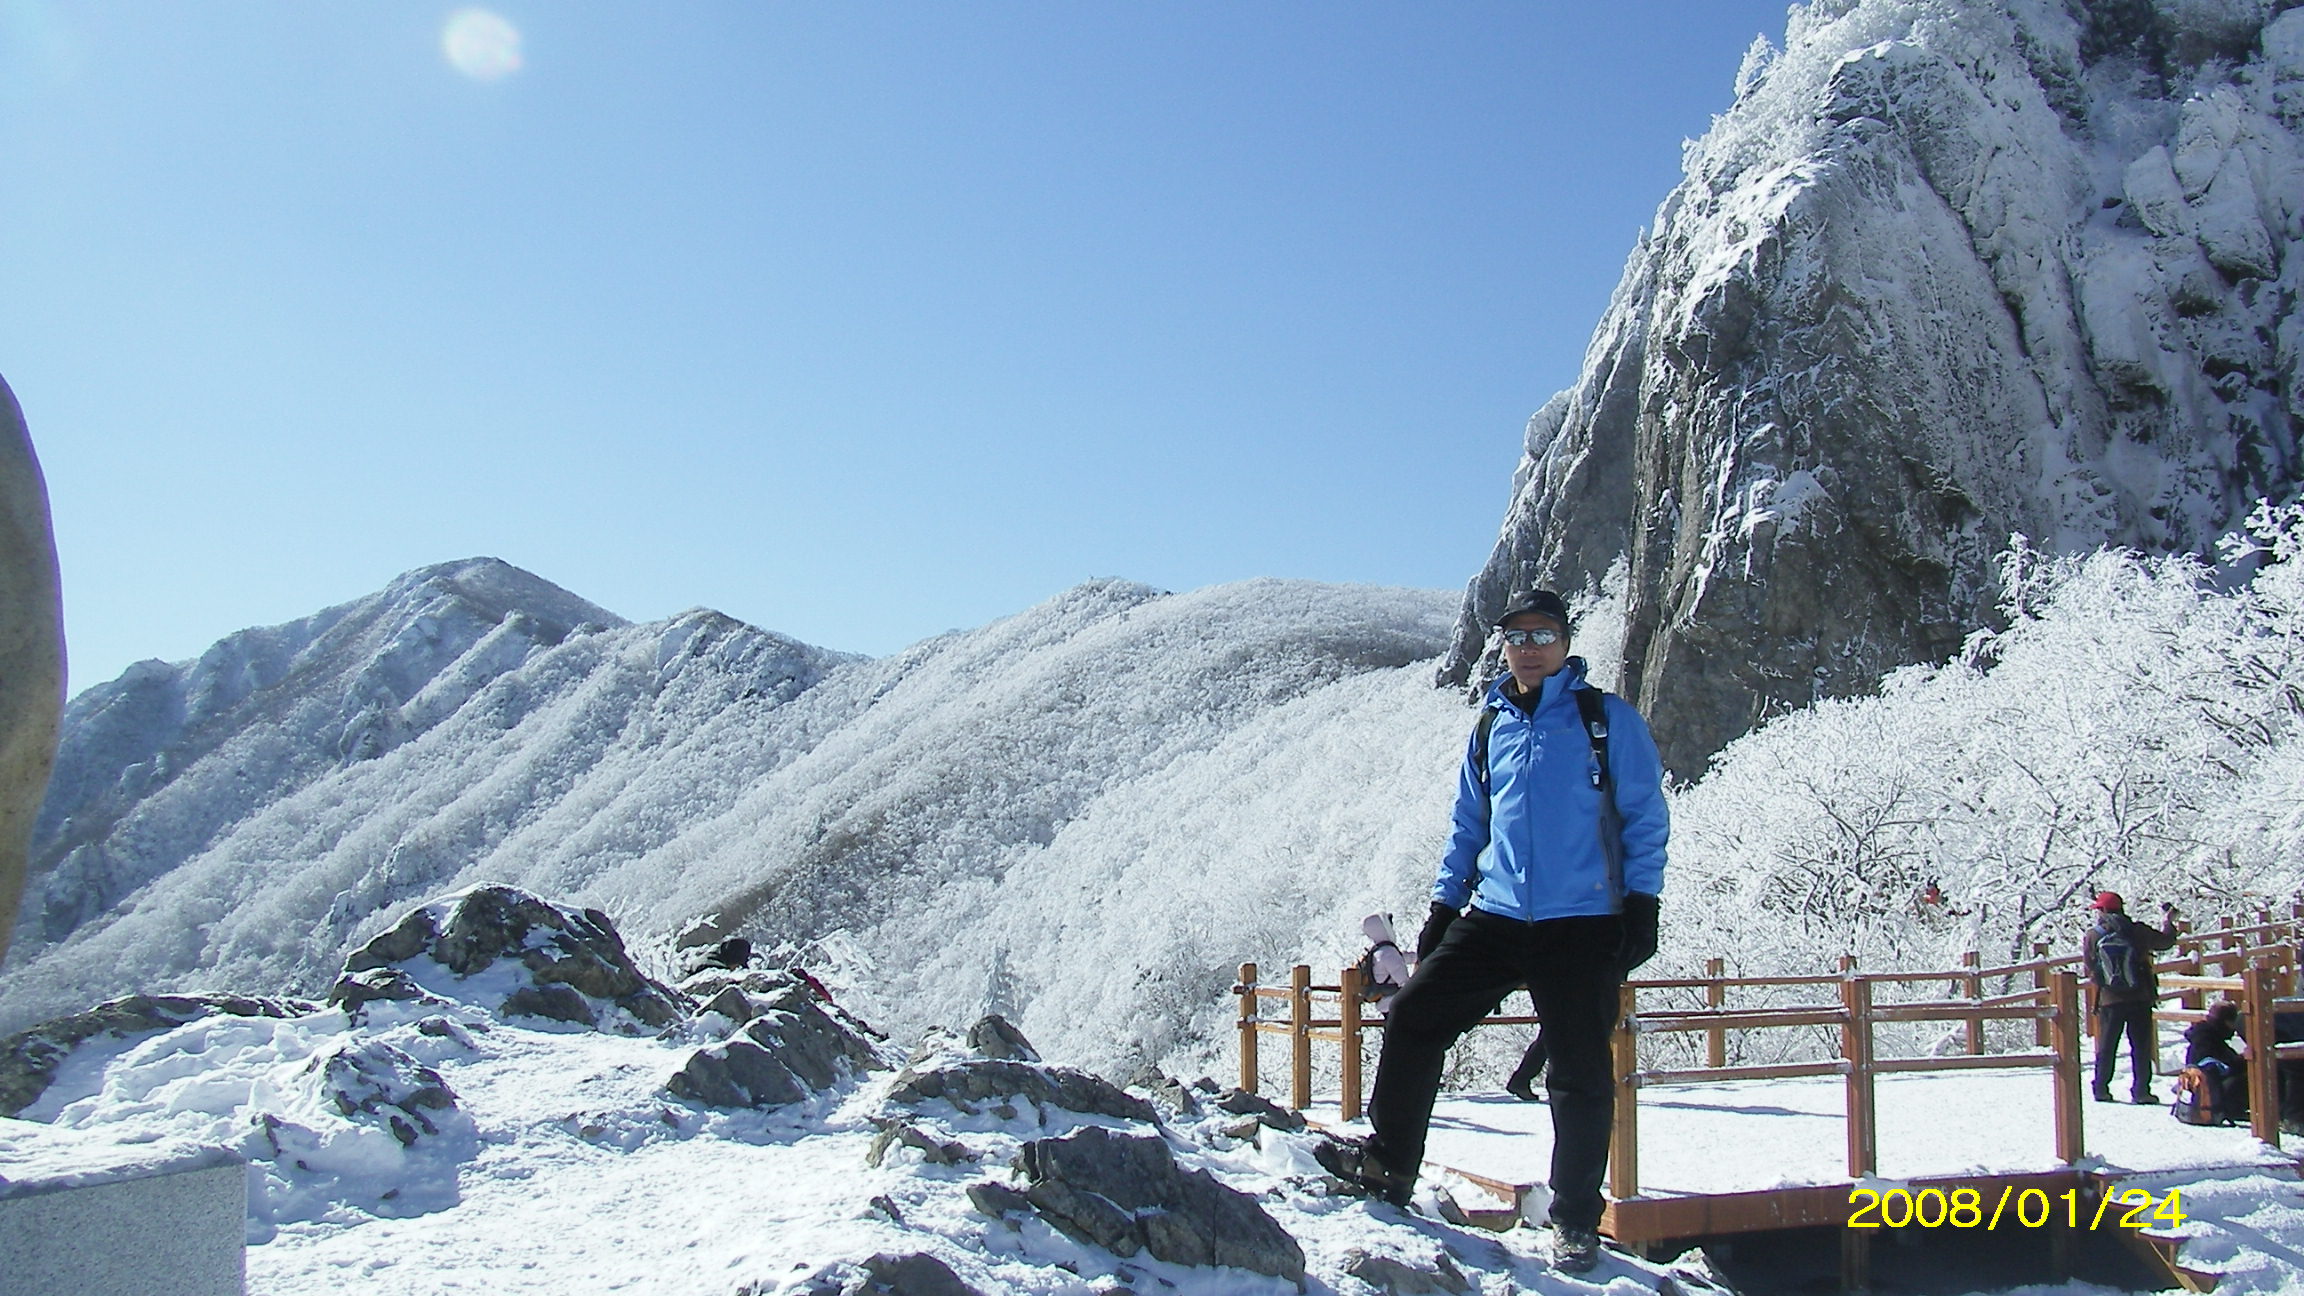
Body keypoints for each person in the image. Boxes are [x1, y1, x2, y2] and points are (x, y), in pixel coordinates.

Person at [1319, 589, 1669, 1275]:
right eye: (1518, 636)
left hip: (1583, 921)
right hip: (1499, 915)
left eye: (1544, 635)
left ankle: (1574, 1219)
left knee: (1577, 1070)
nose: (1531, 648)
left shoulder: (1606, 721)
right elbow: (1468, 825)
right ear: (1502, 645)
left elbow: (1644, 816)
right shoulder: (1493, 725)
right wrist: (1446, 908)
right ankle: (1389, 1165)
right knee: (1416, 1017)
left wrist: (1642, 904)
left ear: (1566, 643)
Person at [2082, 891, 2177, 1104]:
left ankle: (2101, 1088)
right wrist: (2169, 922)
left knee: (2107, 1045)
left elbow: (2089, 967)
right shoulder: (2138, 931)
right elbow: (2165, 942)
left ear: (2103, 911)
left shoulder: (2093, 935)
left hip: (2110, 999)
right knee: (2141, 1046)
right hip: (2140, 996)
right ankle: (2141, 1090)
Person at [2185, 1000, 2247, 1117]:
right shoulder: (2208, 1041)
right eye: (2231, 1023)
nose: (2233, 1028)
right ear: (2225, 1022)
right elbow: (2226, 1066)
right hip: (2215, 1092)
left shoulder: (2204, 1036)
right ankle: (2233, 1109)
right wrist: (2243, 1060)